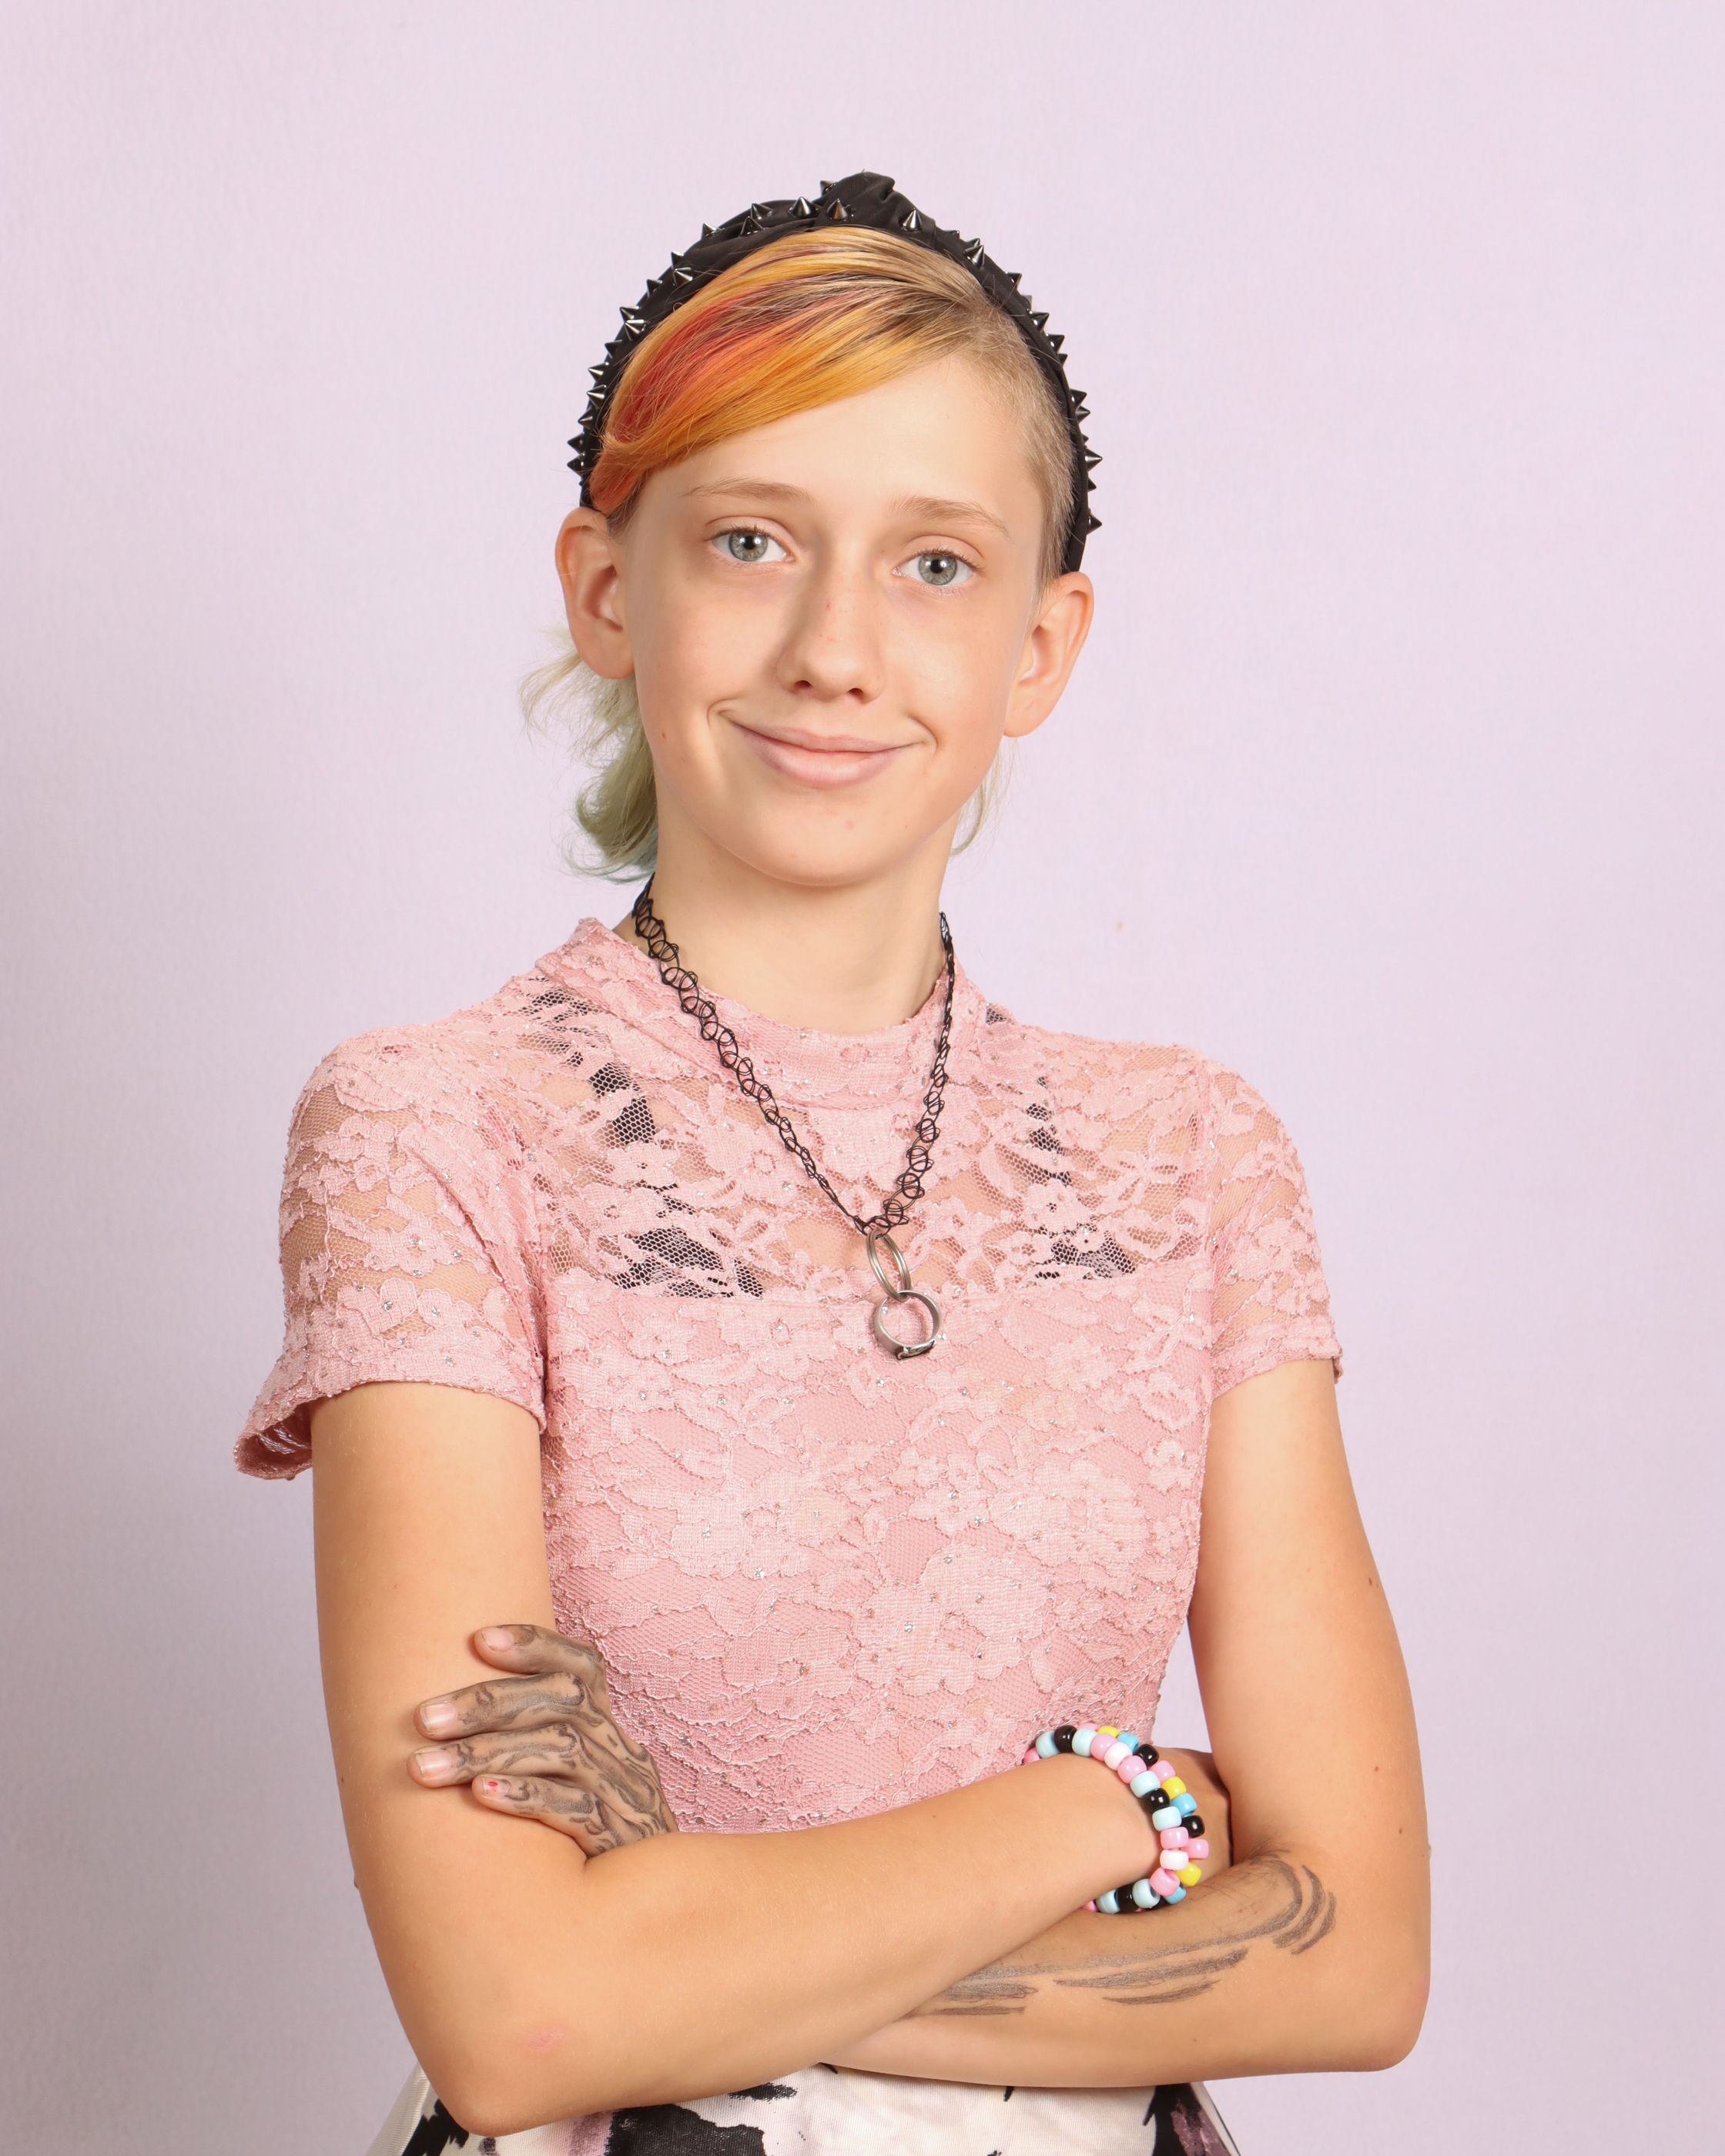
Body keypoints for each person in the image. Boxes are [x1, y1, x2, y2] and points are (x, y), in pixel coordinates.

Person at [239, 174, 1428, 2156]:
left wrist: (674, 1925)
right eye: (750, 540)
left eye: (934, 563)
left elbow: (1359, 1961)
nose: (835, 648)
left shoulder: (1193, 1156)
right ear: (606, 586)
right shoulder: (432, 1127)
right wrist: (1118, 1805)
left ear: (1041, 643)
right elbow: (521, 2016)